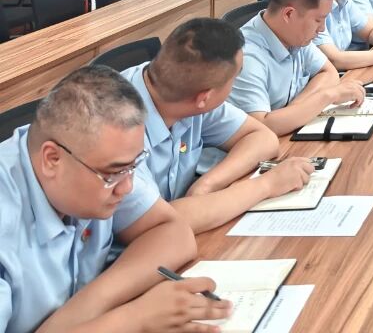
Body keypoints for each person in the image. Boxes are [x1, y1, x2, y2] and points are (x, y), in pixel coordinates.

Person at [0, 65, 230, 333]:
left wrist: (86, 308)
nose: (127, 187)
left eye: (133, 167)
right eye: (114, 173)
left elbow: (174, 233)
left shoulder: (94, 156)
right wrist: (133, 319)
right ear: (52, 159)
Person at [118, 18, 316, 234]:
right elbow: (158, 224)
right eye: (234, 79)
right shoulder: (117, 127)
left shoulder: (184, 89)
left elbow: (262, 138)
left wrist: (207, 185)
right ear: (205, 98)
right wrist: (267, 185)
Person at [226, 0, 367, 139]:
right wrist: (327, 97)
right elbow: (261, 127)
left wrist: (295, 111)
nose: (322, 28)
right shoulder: (247, 57)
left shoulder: (294, 35)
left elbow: (328, 72)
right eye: (318, 20)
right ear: (289, 14)